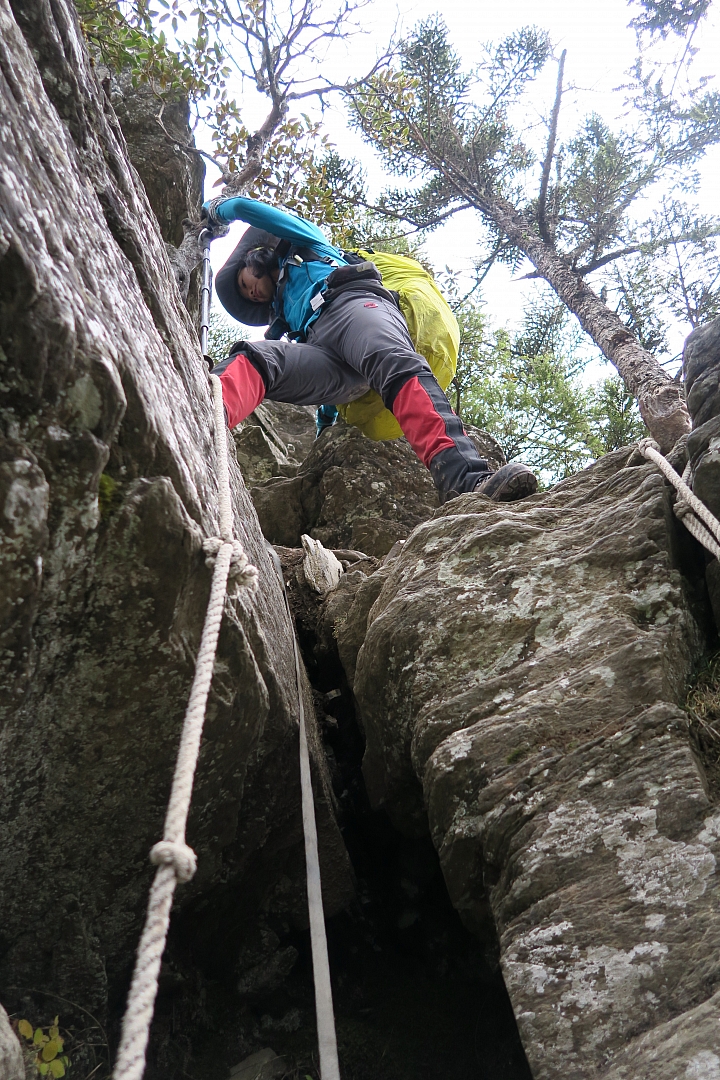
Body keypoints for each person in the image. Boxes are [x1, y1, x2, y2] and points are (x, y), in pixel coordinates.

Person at [204, 195, 538, 504]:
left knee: (393, 363)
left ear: (257, 257)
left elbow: (251, 210)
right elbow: (324, 391)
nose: (251, 292)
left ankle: (467, 480)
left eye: (245, 281)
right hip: (324, 347)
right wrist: (324, 426)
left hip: (351, 303)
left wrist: (222, 209)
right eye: (247, 295)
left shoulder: (306, 243)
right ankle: (203, 416)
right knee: (260, 358)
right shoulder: (289, 318)